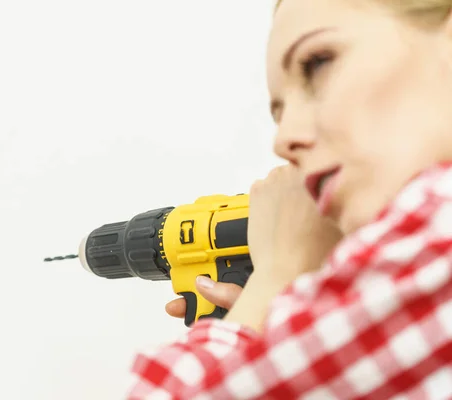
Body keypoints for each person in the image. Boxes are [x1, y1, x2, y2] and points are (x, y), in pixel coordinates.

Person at [126, 0, 452, 398]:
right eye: (279, 114)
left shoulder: (436, 228)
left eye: (316, 63)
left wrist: (277, 272)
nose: (283, 140)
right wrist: (291, 315)